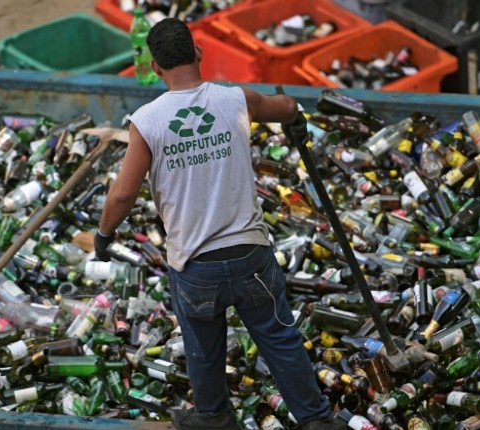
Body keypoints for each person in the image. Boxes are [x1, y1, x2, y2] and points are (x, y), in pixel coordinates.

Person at [94, 18, 344, 430]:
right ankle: (315, 420)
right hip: (251, 257)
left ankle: (214, 416)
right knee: (280, 340)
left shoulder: (147, 121)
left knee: (203, 346)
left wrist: (105, 236)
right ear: (198, 53)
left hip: (196, 266)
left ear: (155, 67)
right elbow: (284, 108)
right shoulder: (235, 100)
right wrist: (293, 114)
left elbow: (122, 194)